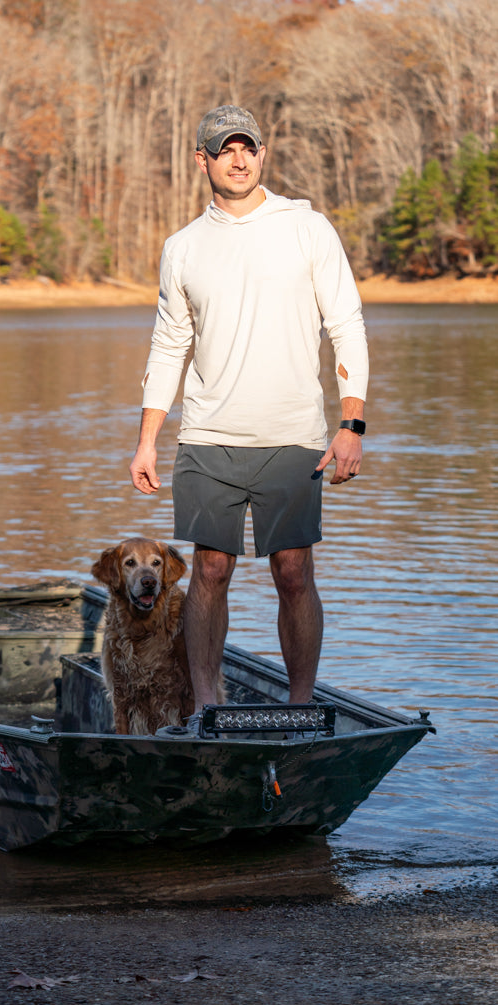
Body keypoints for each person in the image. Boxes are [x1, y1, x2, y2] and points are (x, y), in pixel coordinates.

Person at [129, 104, 368, 726]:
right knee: (209, 570)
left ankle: (301, 707)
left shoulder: (307, 229)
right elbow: (168, 345)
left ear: (262, 153)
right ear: (202, 160)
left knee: (294, 572)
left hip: (293, 436)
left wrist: (351, 424)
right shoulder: (183, 247)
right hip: (208, 436)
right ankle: (208, 708)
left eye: (248, 148)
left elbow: (346, 324)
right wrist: (148, 440)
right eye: (225, 150)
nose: (239, 160)